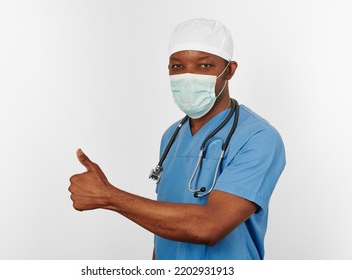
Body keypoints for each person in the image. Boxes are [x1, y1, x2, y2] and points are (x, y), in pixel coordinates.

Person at [68, 18, 286, 260]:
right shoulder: (172, 136)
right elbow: (163, 224)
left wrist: (109, 196)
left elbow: (210, 226)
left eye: (204, 66)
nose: (188, 76)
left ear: (230, 71)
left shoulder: (258, 137)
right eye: (177, 67)